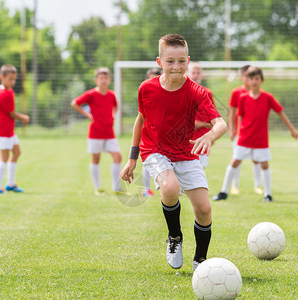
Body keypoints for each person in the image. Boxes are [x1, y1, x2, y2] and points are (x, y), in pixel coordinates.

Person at [120, 34, 227, 271]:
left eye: (181, 61)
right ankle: (174, 237)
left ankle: (200, 260)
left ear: (188, 61)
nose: (176, 67)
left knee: (204, 209)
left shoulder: (198, 92)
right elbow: (140, 121)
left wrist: (209, 136)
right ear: (160, 62)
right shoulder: (146, 89)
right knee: (170, 188)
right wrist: (131, 159)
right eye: (170, 61)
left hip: (186, 153)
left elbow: (221, 124)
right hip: (155, 151)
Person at [213, 66, 298, 202]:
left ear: (262, 81)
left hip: (261, 139)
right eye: (251, 78)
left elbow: (280, 112)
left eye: (257, 79)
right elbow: (239, 116)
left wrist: (292, 129)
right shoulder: (242, 98)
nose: (254, 81)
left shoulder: (268, 97)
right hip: (244, 138)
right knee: (235, 162)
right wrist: (238, 132)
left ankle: (267, 195)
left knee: (264, 164)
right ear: (247, 80)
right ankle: (223, 192)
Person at [71, 67, 122, 195]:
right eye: (101, 78)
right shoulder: (91, 94)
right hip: (95, 133)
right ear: (96, 80)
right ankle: (98, 188)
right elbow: (75, 103)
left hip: (109, 133)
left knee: (118, 157)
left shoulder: (112, 95)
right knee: (96, 158)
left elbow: (116, 106)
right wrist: (87, 115)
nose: (104, 81)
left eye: (106, 78)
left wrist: (113, 115)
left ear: (109, 80)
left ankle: (116, 187)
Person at [228, 65, 265, 195]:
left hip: (255, 134)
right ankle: (235, 185)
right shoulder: (237, 92)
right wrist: (232, 129)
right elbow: (232, 112)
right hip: (241, 133)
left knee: (257, 159)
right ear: (243, 77)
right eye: (246, 76)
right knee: (237, 159)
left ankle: (258, 185)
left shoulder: (260, 93)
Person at [0, 64, 30, 193]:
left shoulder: (9, 90)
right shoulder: (3, 94)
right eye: (10, 79)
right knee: (4, 157)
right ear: (2, 77)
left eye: (14, 79)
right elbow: (12, 113)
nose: (13, 82)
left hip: (9, 129)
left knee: (17, 152)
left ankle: (10, 183)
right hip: (3, 129)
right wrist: (24, 117)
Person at [188, 61, 214, 168]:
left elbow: (213, 116)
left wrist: (212, 136)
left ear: (202, 75)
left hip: (202, 138)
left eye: (198, 73)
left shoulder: (208, 93)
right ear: (188, 74)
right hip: (185, 139)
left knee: (200, 171)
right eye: (193, 72)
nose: (196, 75)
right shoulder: (182, 92)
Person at [141, 67, 162, 197]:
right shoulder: (144, 93)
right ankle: (146, 189)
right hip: (149, 133)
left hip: (165, 133)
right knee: (148, 160)